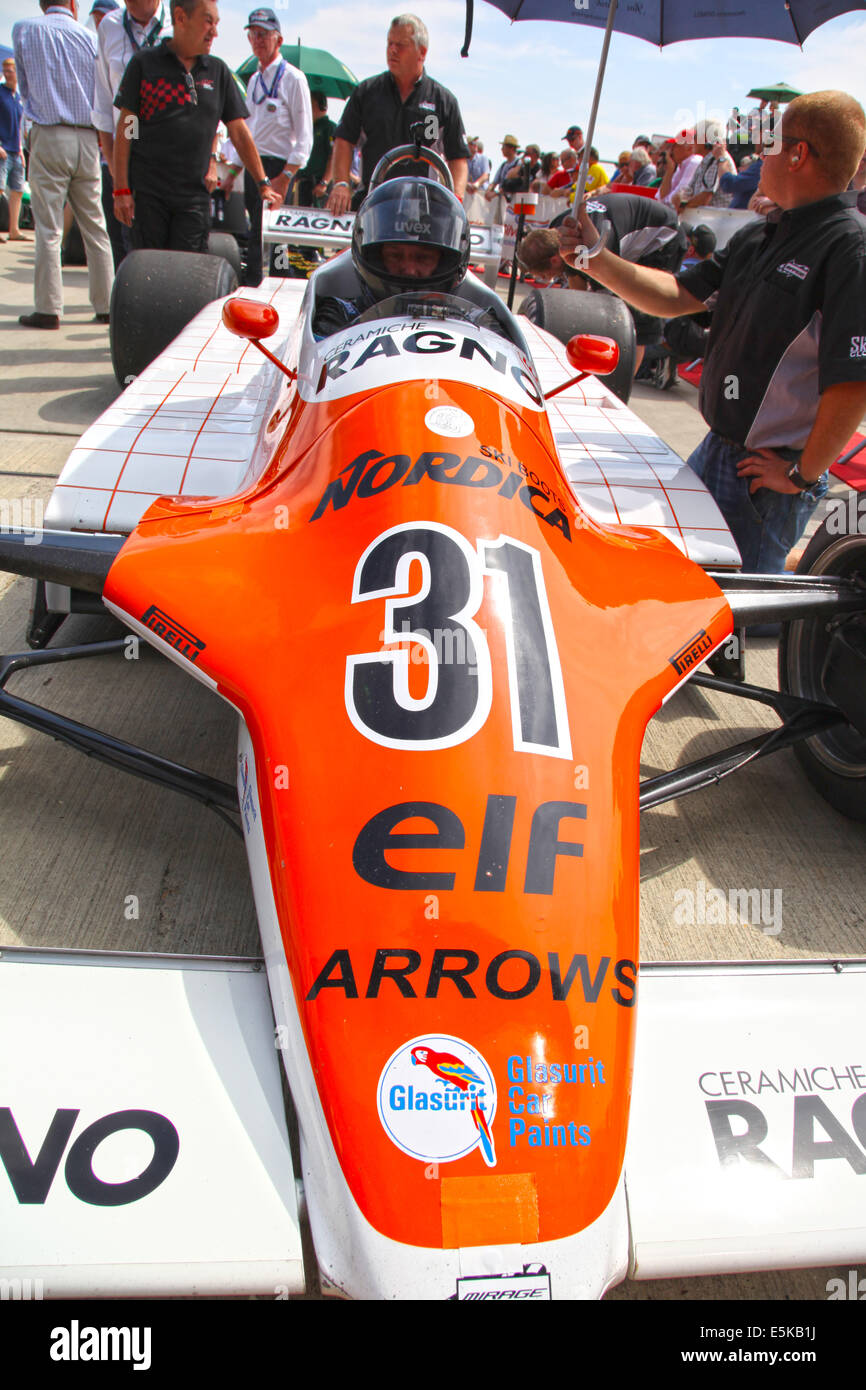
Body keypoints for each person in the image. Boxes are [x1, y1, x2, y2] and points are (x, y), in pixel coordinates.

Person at [559, 91, 866, 575]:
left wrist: (802, 473)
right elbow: (675, 294)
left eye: (770, 142)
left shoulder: (849, 248)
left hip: (765, 477)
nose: (759, 154)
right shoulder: (761, 234)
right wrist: (595, 258)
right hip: (720, 451)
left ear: (798, 153)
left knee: (737, 617)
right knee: (687, 586)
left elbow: (853, 382)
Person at [113, 0, 281, 253]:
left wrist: (263, 183)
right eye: (208, 22)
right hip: (148, 198)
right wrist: (122, 189)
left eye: (217, 23)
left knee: (186, 280)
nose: (215, 32)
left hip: (194, 200)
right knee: (149, 277)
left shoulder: (218, 72)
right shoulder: (143, 64)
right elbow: (128, 129)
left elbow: (238, 132)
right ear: (180, 18)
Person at [13, 0, 114, 329]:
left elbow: (25, 87)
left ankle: (49, 308)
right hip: (87, 138)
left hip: (49, 132)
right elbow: (102, 93)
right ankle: (107, 305)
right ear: (73, 3)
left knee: (49, 227)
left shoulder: (25, 29)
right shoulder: (89, 37)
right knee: (96, 226)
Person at [326, 15, 468, 215]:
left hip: (424, 210)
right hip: (373, 205)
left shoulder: (444, 101)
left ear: (422, 52)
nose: (392, 50)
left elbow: (458, 159)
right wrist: (341, 184)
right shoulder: (366, 92)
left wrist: (455, 201)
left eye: (401, 45)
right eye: (389, 43)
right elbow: (344, 140)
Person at [313, 174, 470, 338]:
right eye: (395, 256)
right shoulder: (338, 316)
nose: (409, 270)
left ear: (445, 261)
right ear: (376, 257)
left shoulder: (475, 323)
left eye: (423, 258)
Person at [220, 8, 312, 285]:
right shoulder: (253, 80)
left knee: (277, 238)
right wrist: (233, 173)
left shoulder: (294, 78)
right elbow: (247, 134)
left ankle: (279, 284)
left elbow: (305, 136)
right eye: (253, 35)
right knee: (255, 230)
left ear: (278, 40)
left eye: (263, 35)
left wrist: (285, 177)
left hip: (280, 167)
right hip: (253, 166)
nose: (257, 40)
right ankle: (254, 283)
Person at [91, 0, 167, 266]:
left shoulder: (178, 22)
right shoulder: (110, 26)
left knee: (169, 252)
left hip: (170, 157)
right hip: (128, 156)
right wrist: (115, 171)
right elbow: (101, 103)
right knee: (129, 250)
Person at [0, 57, 27, 243]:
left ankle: (14, 230)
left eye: (11, 70)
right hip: (2, 149)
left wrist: (21, 150)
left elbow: (19, 126)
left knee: (17, 191)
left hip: (16, 151)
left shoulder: (19, 97)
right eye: (5, 70)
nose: (8, 73)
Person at [295, 90, 336, 206]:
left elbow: (333, 157)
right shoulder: (306, 128)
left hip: (320, 184)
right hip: (305, 182)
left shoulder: (330, 128)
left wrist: (324, 182)